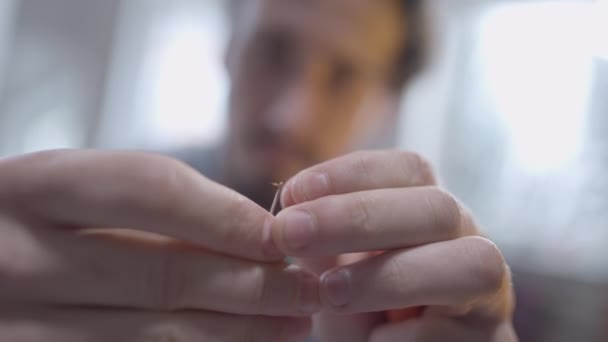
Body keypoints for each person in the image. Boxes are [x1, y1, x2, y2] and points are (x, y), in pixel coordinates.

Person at [0, 0, 517, 341]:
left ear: (386, 105)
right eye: (272, 52)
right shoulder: (96, 217)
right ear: (228, 45)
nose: (288, 117)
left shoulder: (415, 297)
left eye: (344, 76)